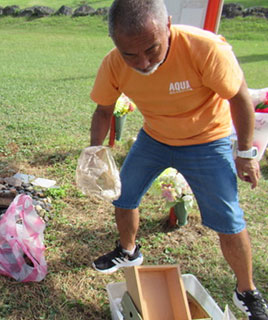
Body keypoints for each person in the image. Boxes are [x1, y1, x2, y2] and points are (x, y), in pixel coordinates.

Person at [89, 0, 268, 319]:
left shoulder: (205, 48)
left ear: (168, 25)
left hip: (207, 141)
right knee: (123, 193)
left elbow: (239, 97)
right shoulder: (114, 63)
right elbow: (104, 110)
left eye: (152, 49)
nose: (143, 62)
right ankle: (128, 252)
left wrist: (244, 153)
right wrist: (94, 152)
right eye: (131, 54)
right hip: (155, 136)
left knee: (228, 219)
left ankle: (246, 291)